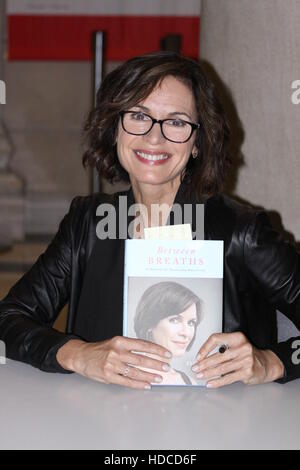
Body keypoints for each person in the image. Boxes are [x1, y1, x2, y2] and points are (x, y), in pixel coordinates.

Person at [0, 51, 299, 390]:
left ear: (198, 143)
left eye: (176, 122)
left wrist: (271, 361)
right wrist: (80, 355)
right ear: (115, 129)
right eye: (139, 116)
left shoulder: (241, 232)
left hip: (218, 429)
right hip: (98, 424)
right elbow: (8, 319)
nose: (154, 137)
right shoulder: (88, 223)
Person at [133, 281, 202, 385]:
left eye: (191, 322)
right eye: (175, 320)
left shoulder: (189, 382)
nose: (186, 333)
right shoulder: (126, 376)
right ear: (150, 323)